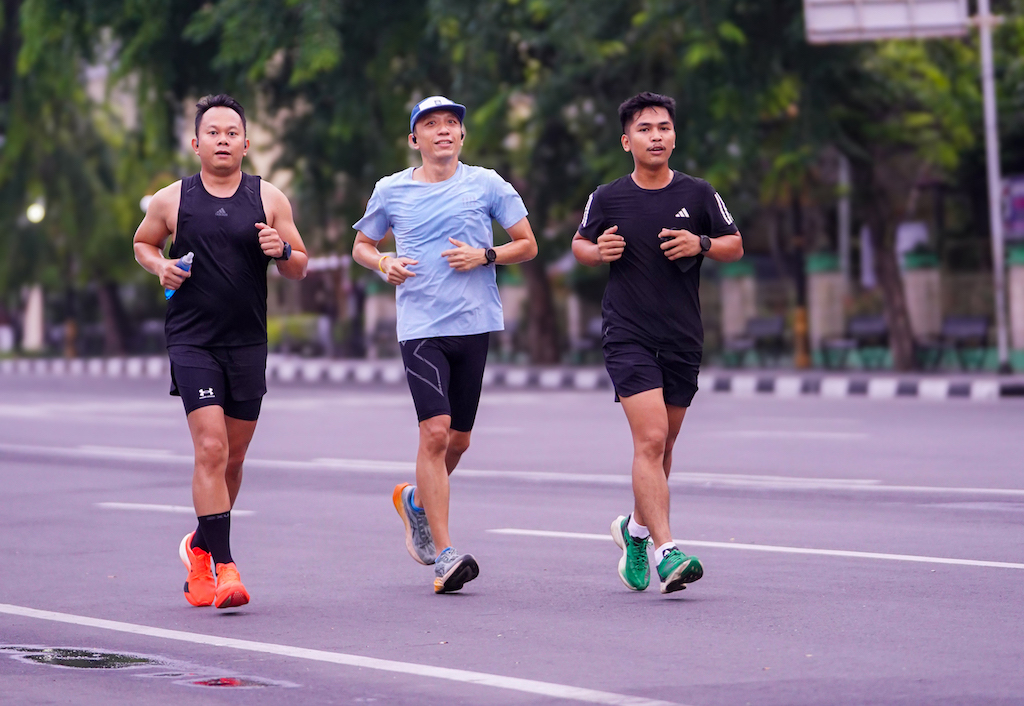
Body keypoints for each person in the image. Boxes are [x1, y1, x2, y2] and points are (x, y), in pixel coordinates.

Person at [352, 95, 538, 594]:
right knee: (433, 433)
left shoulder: (488, 184)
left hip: (474, 323)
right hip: (420, 327)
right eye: (430, 125)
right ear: (415, 138)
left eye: (451, 124)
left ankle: (415, 500)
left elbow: (527, 243)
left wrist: (486, 254)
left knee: (458, 441)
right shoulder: (391, 190)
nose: (442, 132)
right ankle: (444, 552)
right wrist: (382, 262)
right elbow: (361, 245)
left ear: (461, 136)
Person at [133, 94, 308, 609]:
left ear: (247, 144)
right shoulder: (172, 200)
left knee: (233, 461)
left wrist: (283, 252)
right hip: (191, 339)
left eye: (233, 132)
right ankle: (226, 568)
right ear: (196, 143)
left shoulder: (269, 198)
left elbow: (301, 263)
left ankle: (198, 547)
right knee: (210, 449)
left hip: (248, 341)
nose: (224, 140)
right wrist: (158, 267)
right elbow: (143, 243)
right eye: (214, 132)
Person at [572, 92, 744, 594]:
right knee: (649, 440)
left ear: (675, 136)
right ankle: (667, 551)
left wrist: (703, 243)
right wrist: (597, 251)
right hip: (628, 334)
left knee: (664, 445)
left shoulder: (699, 193)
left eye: (664, 127)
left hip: (682, 337)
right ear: (627, 141)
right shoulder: (607, 197)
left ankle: (636, 532)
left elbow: (735, 244)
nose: (656, 136)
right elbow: (580, 244)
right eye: (645, 129)